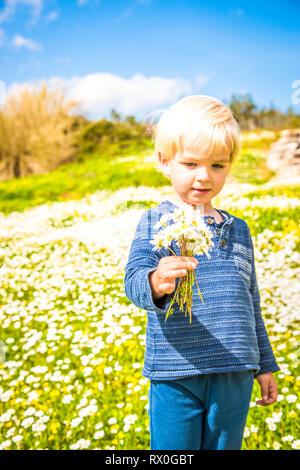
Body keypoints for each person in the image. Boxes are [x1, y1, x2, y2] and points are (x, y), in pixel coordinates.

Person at [124, 95, 280, 450]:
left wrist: (265, 364)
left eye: (217, 166)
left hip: (235, 371)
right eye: (191, 163)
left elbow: (251, 301)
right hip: (176, 371)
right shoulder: (155, 221)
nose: (203, 176)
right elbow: (134, 281)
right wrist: (157, 281)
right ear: (165, 162)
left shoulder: (238, 229)